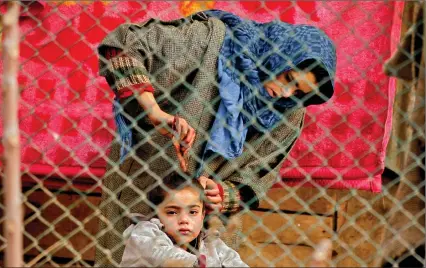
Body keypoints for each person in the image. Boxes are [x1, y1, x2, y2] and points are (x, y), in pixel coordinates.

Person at [95, 9, 336, 266]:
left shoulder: (289, 113)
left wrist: (224, 195)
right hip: (143, 194)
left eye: (299, 91)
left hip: (209, 237)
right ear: (277, 54)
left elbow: (258, 177)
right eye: (288, 78)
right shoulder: (209, 41)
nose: (286, 93)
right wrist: (154, 111)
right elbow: (122, 46)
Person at [119, 172, 249, 267]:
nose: (184, 220)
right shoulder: (145, 233)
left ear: (203, 215)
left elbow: (234, 262)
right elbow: (160, 255)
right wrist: (196, 263)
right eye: (172, 212)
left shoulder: (210, 242)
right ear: (157, 214)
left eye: (193, 212)